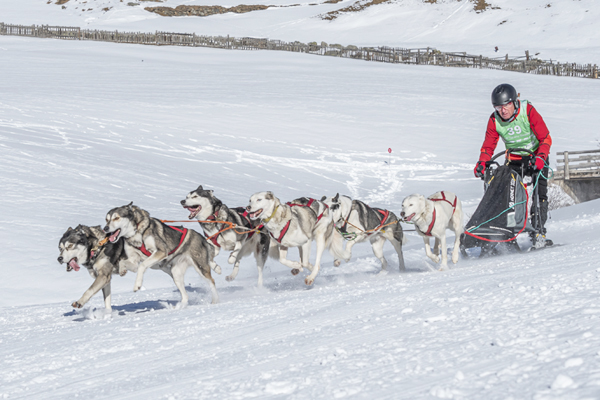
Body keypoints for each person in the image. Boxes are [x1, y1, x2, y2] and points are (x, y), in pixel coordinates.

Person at [474, 83, 552, 243]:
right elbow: (488, 146)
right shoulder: (494, 120)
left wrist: (541, 157)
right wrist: (482, 163)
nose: (503, 111)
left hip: (536, 157)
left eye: (506, 105)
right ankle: (507, 232)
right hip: (514, 159)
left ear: (514, 102)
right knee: (507, 195)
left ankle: (538, 231)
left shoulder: (528, 111)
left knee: (539, 192)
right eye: (498, 107)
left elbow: (546, 138)